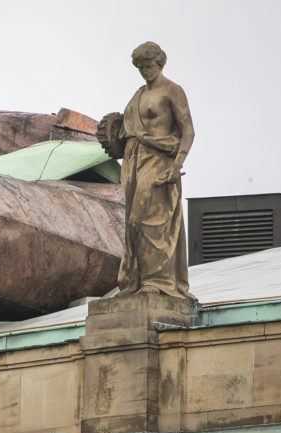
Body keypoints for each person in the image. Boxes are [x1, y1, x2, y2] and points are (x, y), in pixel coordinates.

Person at [101, 41, 195, 299]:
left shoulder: (172, 91)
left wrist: (177, 164)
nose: (144, 71)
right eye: (140, 67)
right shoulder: (138, 94)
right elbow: (125, 129)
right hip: (133, 159)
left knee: (151, 218)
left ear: (160, 63)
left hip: (159, 159)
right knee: (132, 221)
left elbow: (188, 131)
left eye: (148, 66)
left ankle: (159, 280)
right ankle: (134, 281)